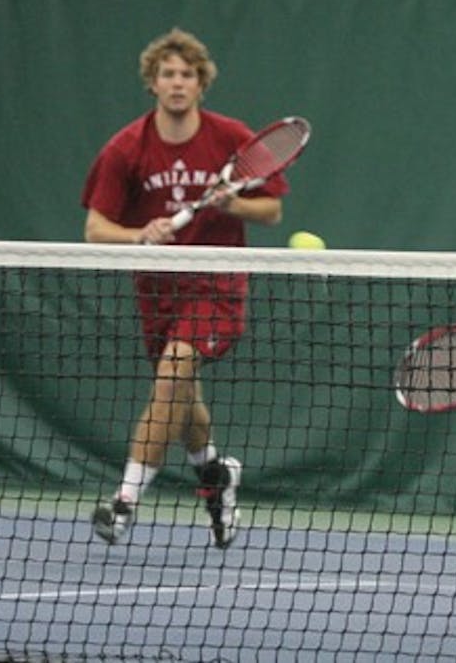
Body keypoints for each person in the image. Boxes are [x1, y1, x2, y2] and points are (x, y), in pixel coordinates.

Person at [81, 28, 288, 548]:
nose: (177, 83)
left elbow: (271, 210)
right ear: (152, 83)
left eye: (187, 74)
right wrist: (138, 233)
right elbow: (96, 229)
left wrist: (230, 204)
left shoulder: (229, 137)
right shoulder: (126, 148)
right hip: (156, 289)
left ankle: (124, 501)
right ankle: (215, 475)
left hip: (215, 281)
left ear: (201, 83)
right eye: (167, 74)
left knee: (174, 370)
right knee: (180, 389)